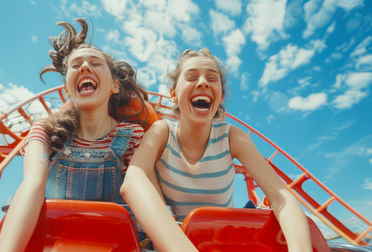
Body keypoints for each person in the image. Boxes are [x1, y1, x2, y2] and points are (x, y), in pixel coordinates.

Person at [120, 48, 312, 251]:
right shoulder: (162, 131)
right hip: (175, 240)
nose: (203, 82)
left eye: (212, 78)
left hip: (221, 241)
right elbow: (133, 182)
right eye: (192, 76)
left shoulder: (231, 137)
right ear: (174, 95)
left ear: (220, 97)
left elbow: (281, 197)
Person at [0, 18, 148, 251]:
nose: (85, 67)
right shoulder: (44, 132)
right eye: (76, 65)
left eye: (95, 63)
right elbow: (33, 185)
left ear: (114, 86)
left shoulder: (132, 137)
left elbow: (144, 197)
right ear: (67, 89)